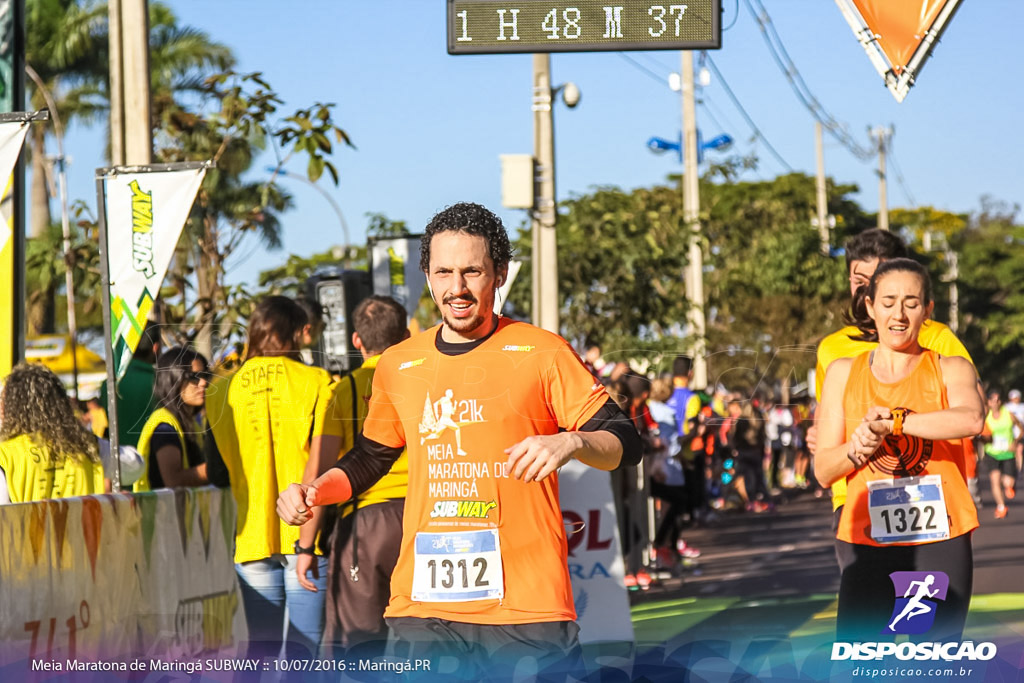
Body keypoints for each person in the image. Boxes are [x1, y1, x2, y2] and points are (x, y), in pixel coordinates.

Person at [277, 202, 641, 676]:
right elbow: (371, 457)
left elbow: (623, 440)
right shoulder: (399, 364)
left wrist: (571, 442)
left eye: (472, 271)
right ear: (427, 275)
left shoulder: (541, 351)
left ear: (500, 274)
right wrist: (314, 492)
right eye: (444, 272)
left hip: (525, 603)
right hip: (423, 604)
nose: (458, 288)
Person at [815, 258, 982, 642]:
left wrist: (894, 423)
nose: (899, 314)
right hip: (867, 540)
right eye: (888, 301)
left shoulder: (950, 367)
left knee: (933, 659)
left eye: (911, 302)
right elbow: (824, 469)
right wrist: (857, 448)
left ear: (928, 310)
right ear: (870, 306)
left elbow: (971, 419)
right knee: (862, 661)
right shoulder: (842, 372)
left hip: (939, 537)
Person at [206, 296, 337, 659]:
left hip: (251, 537)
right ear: (296, 333)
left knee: (257, 654)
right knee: (305, 650)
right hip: (306, 534)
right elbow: (324, 463)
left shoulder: (220, 388)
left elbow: (216, 471)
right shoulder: (318, 381)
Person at [321, 295, 410, 657]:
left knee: (359, 646)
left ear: (357, 341)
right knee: (421, 636)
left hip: (364, 521)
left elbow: (323, 469)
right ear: (406, 336)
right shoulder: (425, 383)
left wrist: (305, 545)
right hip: (425, 517)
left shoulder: (343, 391)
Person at [0, 364, 106, 504]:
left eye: (3, 400)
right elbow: (135, 464)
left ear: (12, 407)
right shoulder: (87, 444)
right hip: (80, 525)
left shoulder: (5, 455)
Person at [134, 347, 210, 491]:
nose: (203, 383)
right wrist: (219, 468)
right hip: (160, 512)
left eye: (205, 375)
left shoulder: (192, 424)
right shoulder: (164, 428)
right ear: (172, 379)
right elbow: (173, 479)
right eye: (194, 376)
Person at [98, 323, 161, 449]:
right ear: (155, 347)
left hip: (120, 461)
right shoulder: (160, 383)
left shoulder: (108, 385)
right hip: (154, 461)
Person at [979, 390, 1022, 519]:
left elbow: (1021, 428)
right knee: (994, 479)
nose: (995, 402)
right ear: (988, 402)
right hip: (992, 452)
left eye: (998, 400)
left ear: (1001, 402)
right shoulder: (986, 417)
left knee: (1007, 482)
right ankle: (1001, 506)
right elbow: (980, 434)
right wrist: (983, 440)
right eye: (992, 400)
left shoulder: (1008, 415)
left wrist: (1015, 441)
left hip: (1007, 453)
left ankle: (1010, 485)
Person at [1006, 388, 1024, 476]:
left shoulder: (1022, 407)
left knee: (1019, 451)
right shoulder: (1007, 407)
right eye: (1014, 397)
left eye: (1017, 397)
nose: (1015, 399)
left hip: (1020, 432)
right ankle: (1012, 467)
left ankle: (1019, 469)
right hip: (1009, 433)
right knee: (1012, 451)